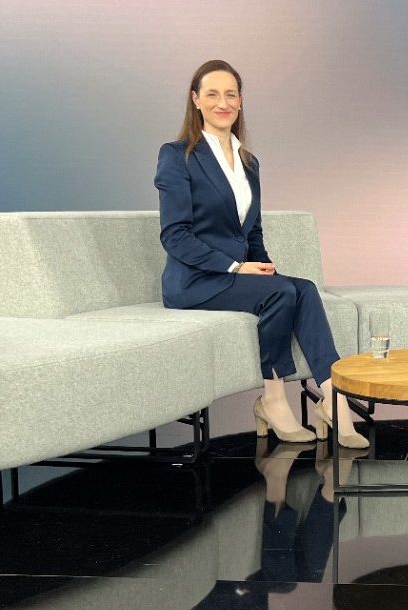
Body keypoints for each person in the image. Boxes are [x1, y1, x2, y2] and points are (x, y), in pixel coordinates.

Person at [155, 59, 367, 449]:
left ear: (240, 101)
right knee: (281, 293)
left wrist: (263, 267)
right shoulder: (177, 155)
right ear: (195, 99)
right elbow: (175, 235)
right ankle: (272, 399)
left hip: (234, 275)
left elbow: (251, 231)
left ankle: (332, 397)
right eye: (213, 94)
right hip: (194, 281)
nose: (223, 103)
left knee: (302, 288)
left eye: (230, 94)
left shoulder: (249, 163)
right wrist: (235, 266)